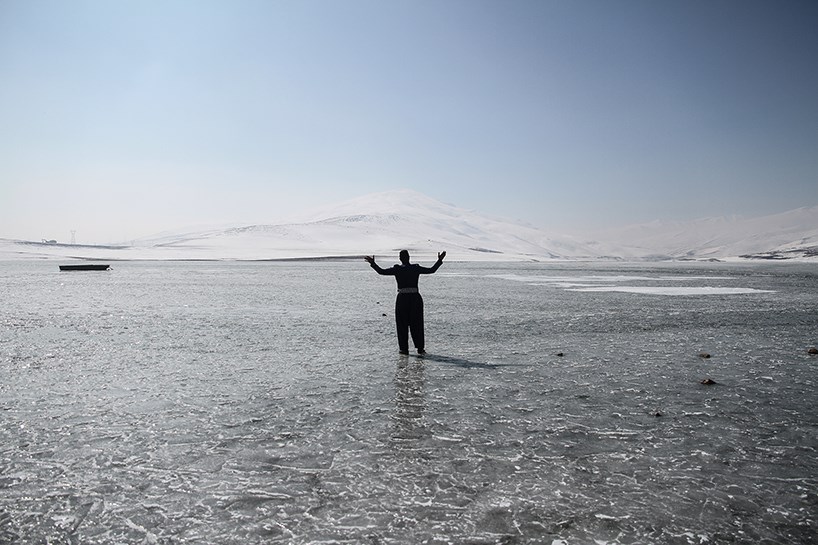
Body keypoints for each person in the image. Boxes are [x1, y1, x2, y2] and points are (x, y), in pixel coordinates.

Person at [365, 250, 446, 355]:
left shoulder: (397, 269)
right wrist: (439, 260)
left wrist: (373, 263)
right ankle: (420, 348)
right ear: (409, 257)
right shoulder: (415, 268)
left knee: (401, 324)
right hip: (415, 298)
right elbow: (432, 270)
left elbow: (382, 271)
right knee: (417, 324)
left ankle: (404, 349)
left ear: (400, 258)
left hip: (402, 298)